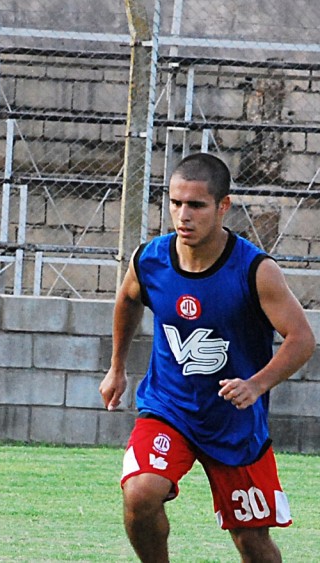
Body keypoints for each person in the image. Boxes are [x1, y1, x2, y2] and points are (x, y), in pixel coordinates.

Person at [99, 152, 315, 562]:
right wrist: (117, 368)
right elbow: (127, 299)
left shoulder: (255, 270)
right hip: (169, 408)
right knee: (140, 492)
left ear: (223, 206)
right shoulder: (150, 260)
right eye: (176, 203)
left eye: (196, 205)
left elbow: (301, 338)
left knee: (251, 541)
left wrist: (256, 383)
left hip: (234, 423)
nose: (183, 215)